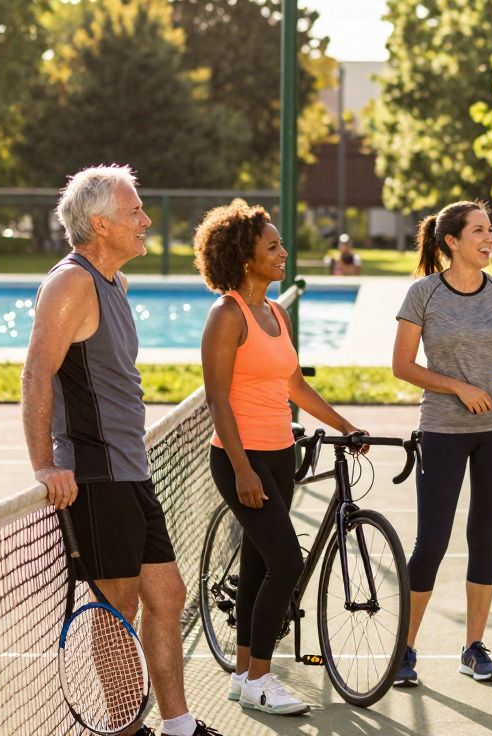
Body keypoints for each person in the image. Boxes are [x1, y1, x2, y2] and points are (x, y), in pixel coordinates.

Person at [21, 165, 221, 736]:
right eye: (135, 212)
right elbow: (38, 373)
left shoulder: (114, 283)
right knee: (117, 612)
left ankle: (178, 725)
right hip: (95, 474)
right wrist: (44, 464)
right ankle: (127, 731)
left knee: (169, 595)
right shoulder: (71, 283)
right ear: (101, 224)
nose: (146, 220)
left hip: (132, 470)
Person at [195, 200, 370, 715]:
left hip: (280, 456)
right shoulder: (227, 314)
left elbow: (294, 383)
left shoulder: (276, 311)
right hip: (239, 460)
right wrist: (244, 468)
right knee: (287, 562)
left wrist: (345, 425)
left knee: (258, 565)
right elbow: (217, 398)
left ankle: (244, 675)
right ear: (244, 258)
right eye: (272, 246)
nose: (283, 252)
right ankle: (261, 679)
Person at [391, 200, 492, 686]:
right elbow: (402, 366)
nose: (490, 238)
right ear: (452, 241)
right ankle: (405, 650)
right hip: (442, 430)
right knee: (432, 543)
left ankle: (474, 648)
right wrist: (458, 387)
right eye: (480, 231)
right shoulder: (423, 294)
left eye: (491, 231)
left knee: (484, 539)